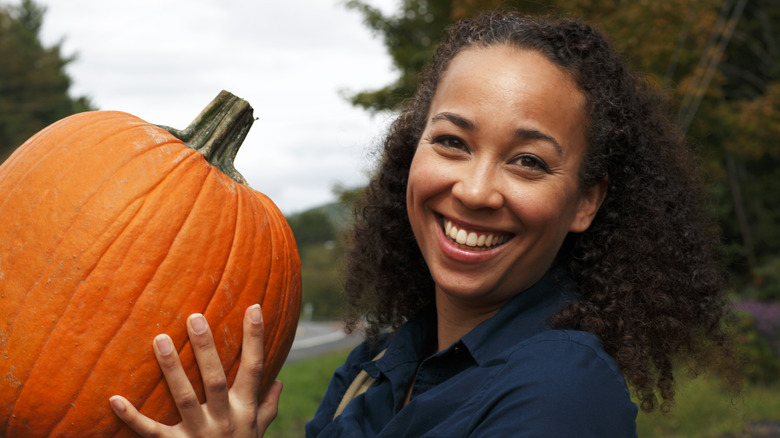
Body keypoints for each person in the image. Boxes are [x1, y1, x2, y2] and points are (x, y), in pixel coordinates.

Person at [109, 11, 738, 437]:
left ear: (584, 202)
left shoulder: (561, 394)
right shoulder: (377, 362)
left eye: (528, 161)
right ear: (413, 152)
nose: (474, 189)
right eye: (452, 142)